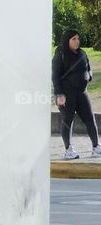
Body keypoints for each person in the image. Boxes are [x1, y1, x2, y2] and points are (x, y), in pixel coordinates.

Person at [53, 29, 101, 160]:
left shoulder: (82, 53)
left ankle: (96, 147)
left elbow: (89, 68)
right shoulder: (60, 55)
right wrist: (59, 94)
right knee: (67, 122)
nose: (77, 41)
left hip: (81, 93)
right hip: (66, 94)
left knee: (90, 119)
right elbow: (55, 77)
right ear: (67, 40)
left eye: (78, 39)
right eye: (73, 39)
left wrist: (89, 76)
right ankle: (68, 150)